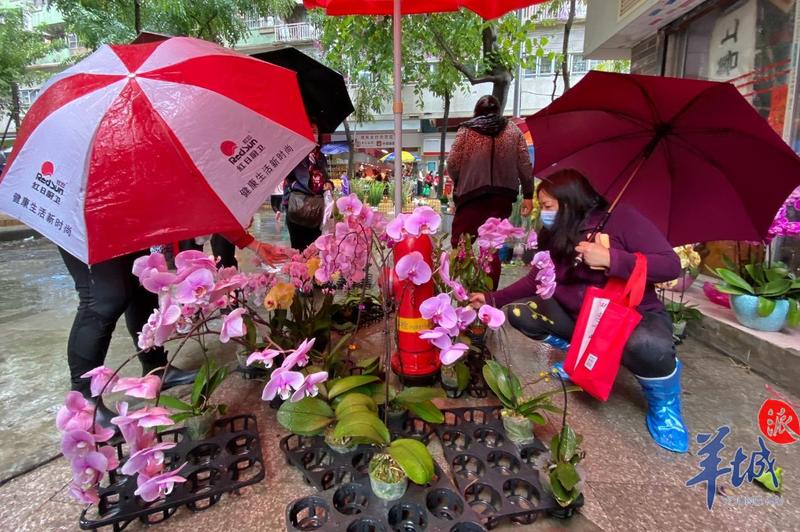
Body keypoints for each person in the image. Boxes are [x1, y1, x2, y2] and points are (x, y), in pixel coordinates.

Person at [469, 169, 688, 453]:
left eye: (548, 207)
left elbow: (670, 265)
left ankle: (665, 407)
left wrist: (613, 259)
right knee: (523, 314)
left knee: (647, 347)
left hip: (630, 317)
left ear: (570, 201)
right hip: (583, 319)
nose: (544, 214)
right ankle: (582, 357)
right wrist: (491, 298)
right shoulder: (556, 232)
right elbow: (538, 277)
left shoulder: (622, 219)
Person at [59, 248, 199, 424]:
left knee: (142, 281)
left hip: (121, 222)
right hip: (82, 227)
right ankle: (84, 402)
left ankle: (155, 367)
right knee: (105, 297)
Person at [447, 95, 534, 289]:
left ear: (477, 111)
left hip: (471, 195)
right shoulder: (513, 131)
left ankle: (466, 288)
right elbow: (525, 165)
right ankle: (489, 294)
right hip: (502, 197)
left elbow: (452, 163)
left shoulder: (466, 130)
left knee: (461, 243)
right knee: (492, 247)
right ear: (499, 111)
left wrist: (460, 181)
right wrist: (528, 195)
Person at [283, 120, 332, 251]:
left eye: (315, 131)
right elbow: (288, 178)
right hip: (297, 208)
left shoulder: (320, 156)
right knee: (298, 251)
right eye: (309, 130)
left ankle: (312, 272)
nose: (312, 134)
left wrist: (328, 184)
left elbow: (326, 177)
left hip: (316, 210)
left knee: (314, 251)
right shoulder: (293, 153)